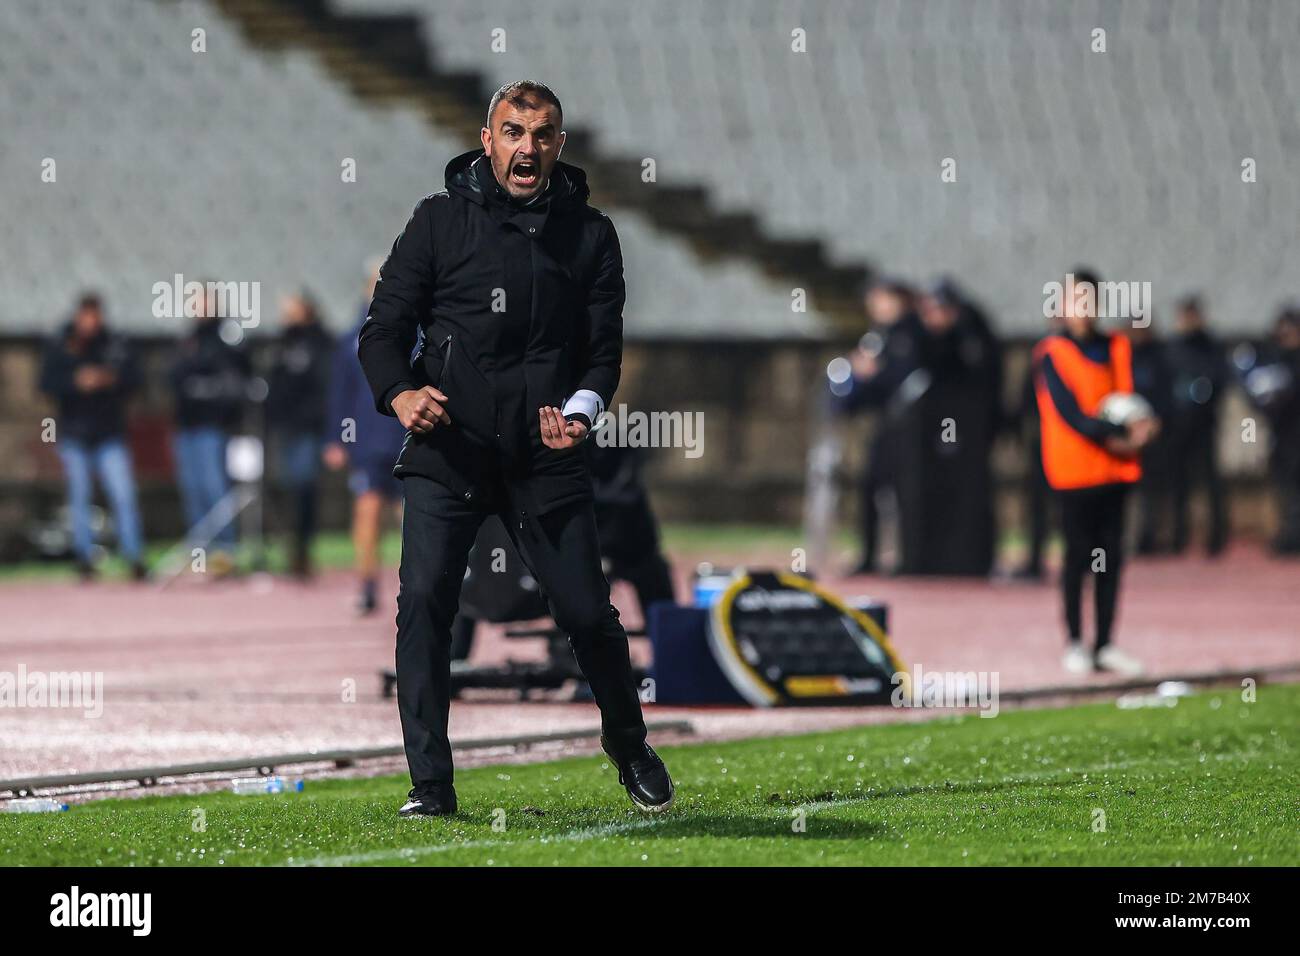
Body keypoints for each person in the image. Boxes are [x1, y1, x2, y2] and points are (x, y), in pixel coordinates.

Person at [357, 80, 672, 817]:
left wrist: (583, 409)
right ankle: (431, 785)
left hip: (543, 454)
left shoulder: (592, 236)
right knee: (425, 603)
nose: (527, 147)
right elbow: (381, 330)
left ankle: (629, 747)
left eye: (543, 133)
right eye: (513, 131)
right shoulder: (437, 222)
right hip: (449, 449)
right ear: (487, 137)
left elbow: (603, 354)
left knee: (587, 613)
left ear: (561, 144)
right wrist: (400, 393)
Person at [1034, 270, 1158, 675]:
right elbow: (1071, 416)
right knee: (1077, 559)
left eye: (1088, 300)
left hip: (1116, 472)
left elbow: (1132, 397)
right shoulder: (1051, 352)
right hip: (1074, 473)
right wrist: (1117, 432)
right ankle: (1074, 640)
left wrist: (1144, 425)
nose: (1082, 309)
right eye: (1074, 300)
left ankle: (1105, 642)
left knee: (1110, 560)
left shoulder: (1117, 346)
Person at [38, 293, 146, 581]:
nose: (90, 322)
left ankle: (134, 557)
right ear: (78, 316)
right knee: (79, 498)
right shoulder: (60, 344)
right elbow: (45, 383)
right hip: (74, 435)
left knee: (123, 495)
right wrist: (76, 382)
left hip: (110, 435)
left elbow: (137, 379)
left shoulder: (115, 344)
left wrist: (108, 379)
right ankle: (84, 559)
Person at [324, 260, 409, 613]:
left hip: (407, 435)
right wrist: (336, 439)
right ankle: (368, 586)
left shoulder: (415, 329)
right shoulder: (350, 339)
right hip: (368, 440)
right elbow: (339, 393)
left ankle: (419, 586)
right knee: (367, 511)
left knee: (414, 516)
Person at [830, 278, 923, 574]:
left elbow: (905, 377)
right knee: (870, 487)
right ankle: (870, 555)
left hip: (908, 426)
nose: (875, 305)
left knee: (903, 493)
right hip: (885, 425)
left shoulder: (910, 334)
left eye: (882, 299)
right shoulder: (878, 336)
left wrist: (874, 372)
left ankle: (908, 558)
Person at [169, 292, 249, 576]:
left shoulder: (228, 334)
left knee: (215, 488)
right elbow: (175, 378)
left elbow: (236, 376)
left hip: (214, 426)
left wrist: (204, 388)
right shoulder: (187, 338)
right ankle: (201, 553)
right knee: (193, 489)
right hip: (186, 426)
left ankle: (226, 553)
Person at [266, 292, 334, 578]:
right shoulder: (283, 342)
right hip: (286, 427)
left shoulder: (321, 343)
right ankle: (291, 546)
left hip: (309, 428)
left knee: (304, 485)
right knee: (286, 486)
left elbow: (325, 387)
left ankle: (303, 548)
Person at [1163, 296, 1228, 555]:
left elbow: (1221, 379)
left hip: (1205, 424)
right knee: (1179, 483)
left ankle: (1215, 538)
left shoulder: (1211, 346)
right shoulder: (1172, 347)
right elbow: (1165, 382)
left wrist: (1204, 394)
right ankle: (1178, 537)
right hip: (1178, 426)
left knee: (1211, 482)